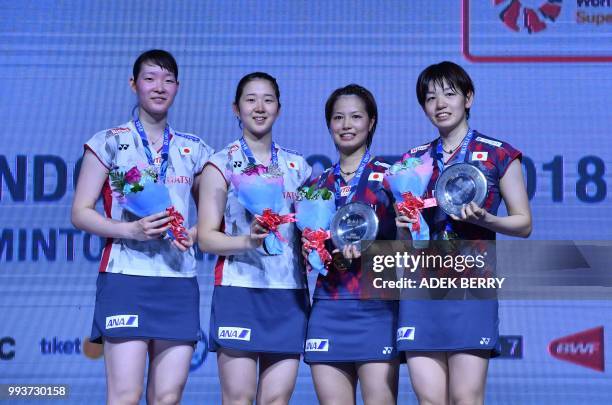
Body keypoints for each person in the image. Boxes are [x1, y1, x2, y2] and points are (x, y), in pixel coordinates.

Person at [71, 49, 212, 405]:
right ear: (134, 84)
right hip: (125, 278)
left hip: (178, 281)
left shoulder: (193, 149)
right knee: (125, 395)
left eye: (167, 80)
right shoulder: (108, 142)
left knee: (167, 397)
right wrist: (130, 231)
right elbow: (80, 212)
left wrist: (192, 235)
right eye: (150, 78)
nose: (159, 87)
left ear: (178, 87)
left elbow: (214, 214)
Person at [395, 61, 532, 405]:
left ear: (468, 98)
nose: (440, 104)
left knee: (466, 398)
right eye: (430, 98)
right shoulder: (412, 162)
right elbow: (403, 242)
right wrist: (403, 227)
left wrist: (486, 219)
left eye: (449, 94)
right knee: (429, 400)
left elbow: (524, 223)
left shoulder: (499, 153)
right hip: (420, 290)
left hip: (471, 290)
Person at [197, 72, 311, 405]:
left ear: (279, 107)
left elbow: (306, 232)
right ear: (236, 108)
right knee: (239, 400)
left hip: (289, 294)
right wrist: (249, 241)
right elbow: (206, 238)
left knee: (276, 401)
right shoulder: (219, 165)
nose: (259, 107)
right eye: (250, 99)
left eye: (268, 99)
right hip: (239, 291)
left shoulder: (298, 166)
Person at [303, 84, 399, 405]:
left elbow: (413, 245)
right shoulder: (316, 186)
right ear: (329, 123)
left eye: (356, 117)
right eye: (338, 117)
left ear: (371, 122)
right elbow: (306, 251)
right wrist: (310, 252)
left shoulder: (393, 178)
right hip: (329, 306)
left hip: (377, 308)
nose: (346, 125)